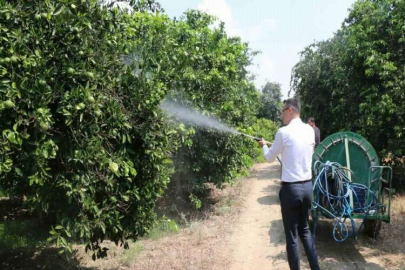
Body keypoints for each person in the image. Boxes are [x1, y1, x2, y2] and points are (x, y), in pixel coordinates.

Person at [259, 98, 320, 270]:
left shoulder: (282, 132)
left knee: (292, 237)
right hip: (308, 188)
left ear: (291, 110)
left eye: (283, 111)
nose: (281, 115)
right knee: (305, 231)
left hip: (291, 190)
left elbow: (269, 157)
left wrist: (264, 145)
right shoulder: (310, 131)